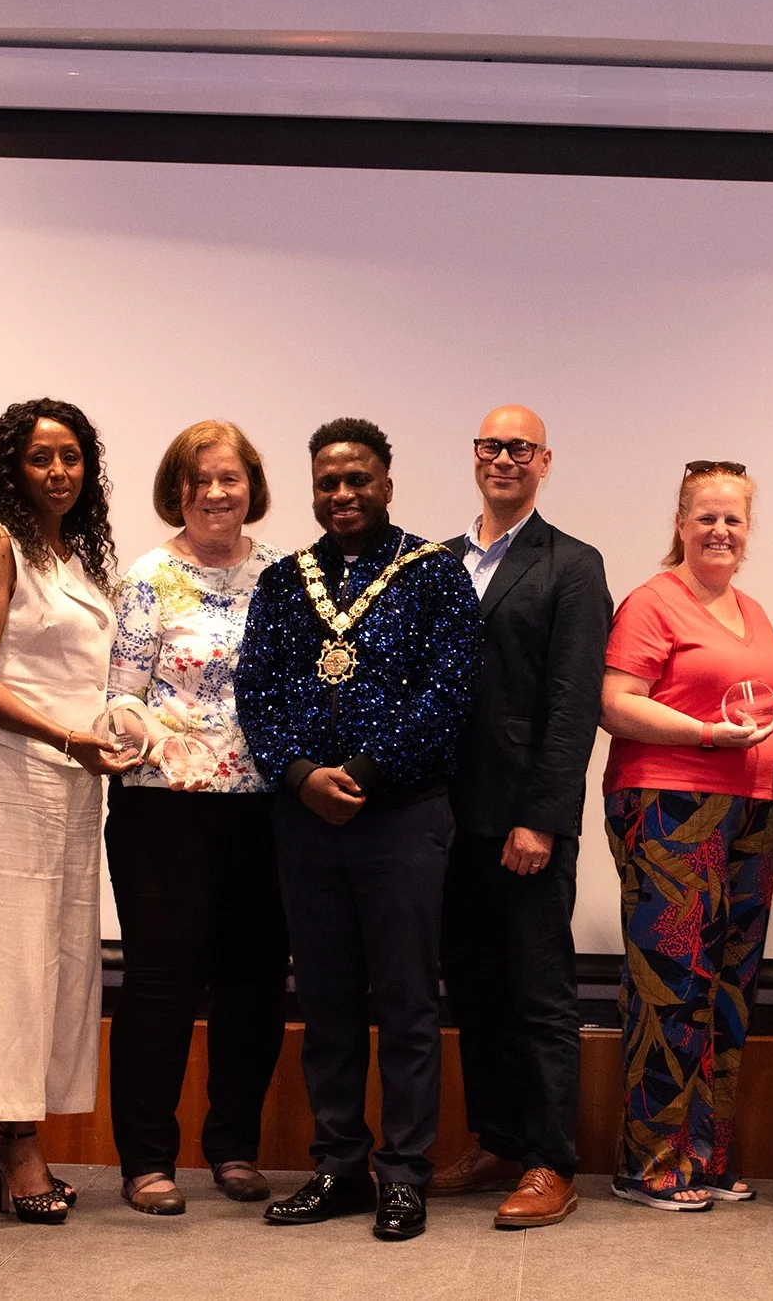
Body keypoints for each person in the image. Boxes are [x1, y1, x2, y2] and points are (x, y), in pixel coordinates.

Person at [235, 418, 482, 1242]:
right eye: (328, 482)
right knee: (329, 1002)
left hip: (403, 816)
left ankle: (402, 1176)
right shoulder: (282, 581)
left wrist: (364, 776)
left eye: (358, 480)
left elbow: (446, 695)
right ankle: (338, 1164)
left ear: (387, 482)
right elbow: (256, 696)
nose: (342, 495)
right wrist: (303, 776)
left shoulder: (434, 575)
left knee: (408, 1002)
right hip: (306, 820)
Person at [0, 399, 132, 1225]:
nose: (58, 472)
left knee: (59, 960)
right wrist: (65, 735)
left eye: (71, 458)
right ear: (10, 467)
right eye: (40, 458)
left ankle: (24, 1129)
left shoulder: (79, 555)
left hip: (74, 779)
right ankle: (14, 1140)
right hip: (12, 773)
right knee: (12, 962)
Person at [427, 406, 611, 1229]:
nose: (503, 458)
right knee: (473, 991)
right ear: (475, 457)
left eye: (520, 448)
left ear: (544, 461)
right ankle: (497, 1140)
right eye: (491, 446)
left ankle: (549, 1162)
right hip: (440, 820)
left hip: (523, 825)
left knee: (539, 996)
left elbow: (572, 709)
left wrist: (541, 818)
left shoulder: (572, 565)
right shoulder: (434, 562)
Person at [103, 420, 290, 1215]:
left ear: (253, 487)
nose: (217, 493)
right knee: (159, 983)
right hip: (161, 807)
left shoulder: (283, 577)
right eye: (200, 480)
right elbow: (122, 689)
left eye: (231, 479)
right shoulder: (147, 576)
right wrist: (128, 727)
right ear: (177, 490)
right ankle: (147, 1160)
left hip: (263, 811)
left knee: (252, 985)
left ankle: (235, 1148)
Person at [598, 460, 773, 1212]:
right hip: (670, 807)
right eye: (706, 517)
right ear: (680, 523)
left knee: (732, 990)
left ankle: (705, 1156)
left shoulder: (757, 612)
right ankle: (647, 1164)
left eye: (733, 520)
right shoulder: (652, 603)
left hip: (754, 812)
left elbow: (770, 725)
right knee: (669, 984)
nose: (720, 530)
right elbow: (617, 705)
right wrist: (708, 735)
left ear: (748, 532)